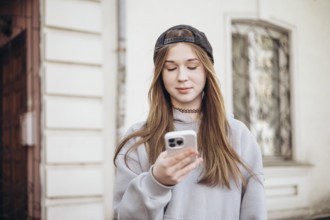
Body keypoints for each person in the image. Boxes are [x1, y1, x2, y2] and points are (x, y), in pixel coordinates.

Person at [113, 24, 267, 220]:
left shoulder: (238, 135)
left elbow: (255, 212)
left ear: (206, 71)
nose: (182, 77)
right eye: (171, 68)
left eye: (192, 66)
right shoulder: (139, 140)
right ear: (160, 74)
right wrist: (156, 182)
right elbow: (125, 216)